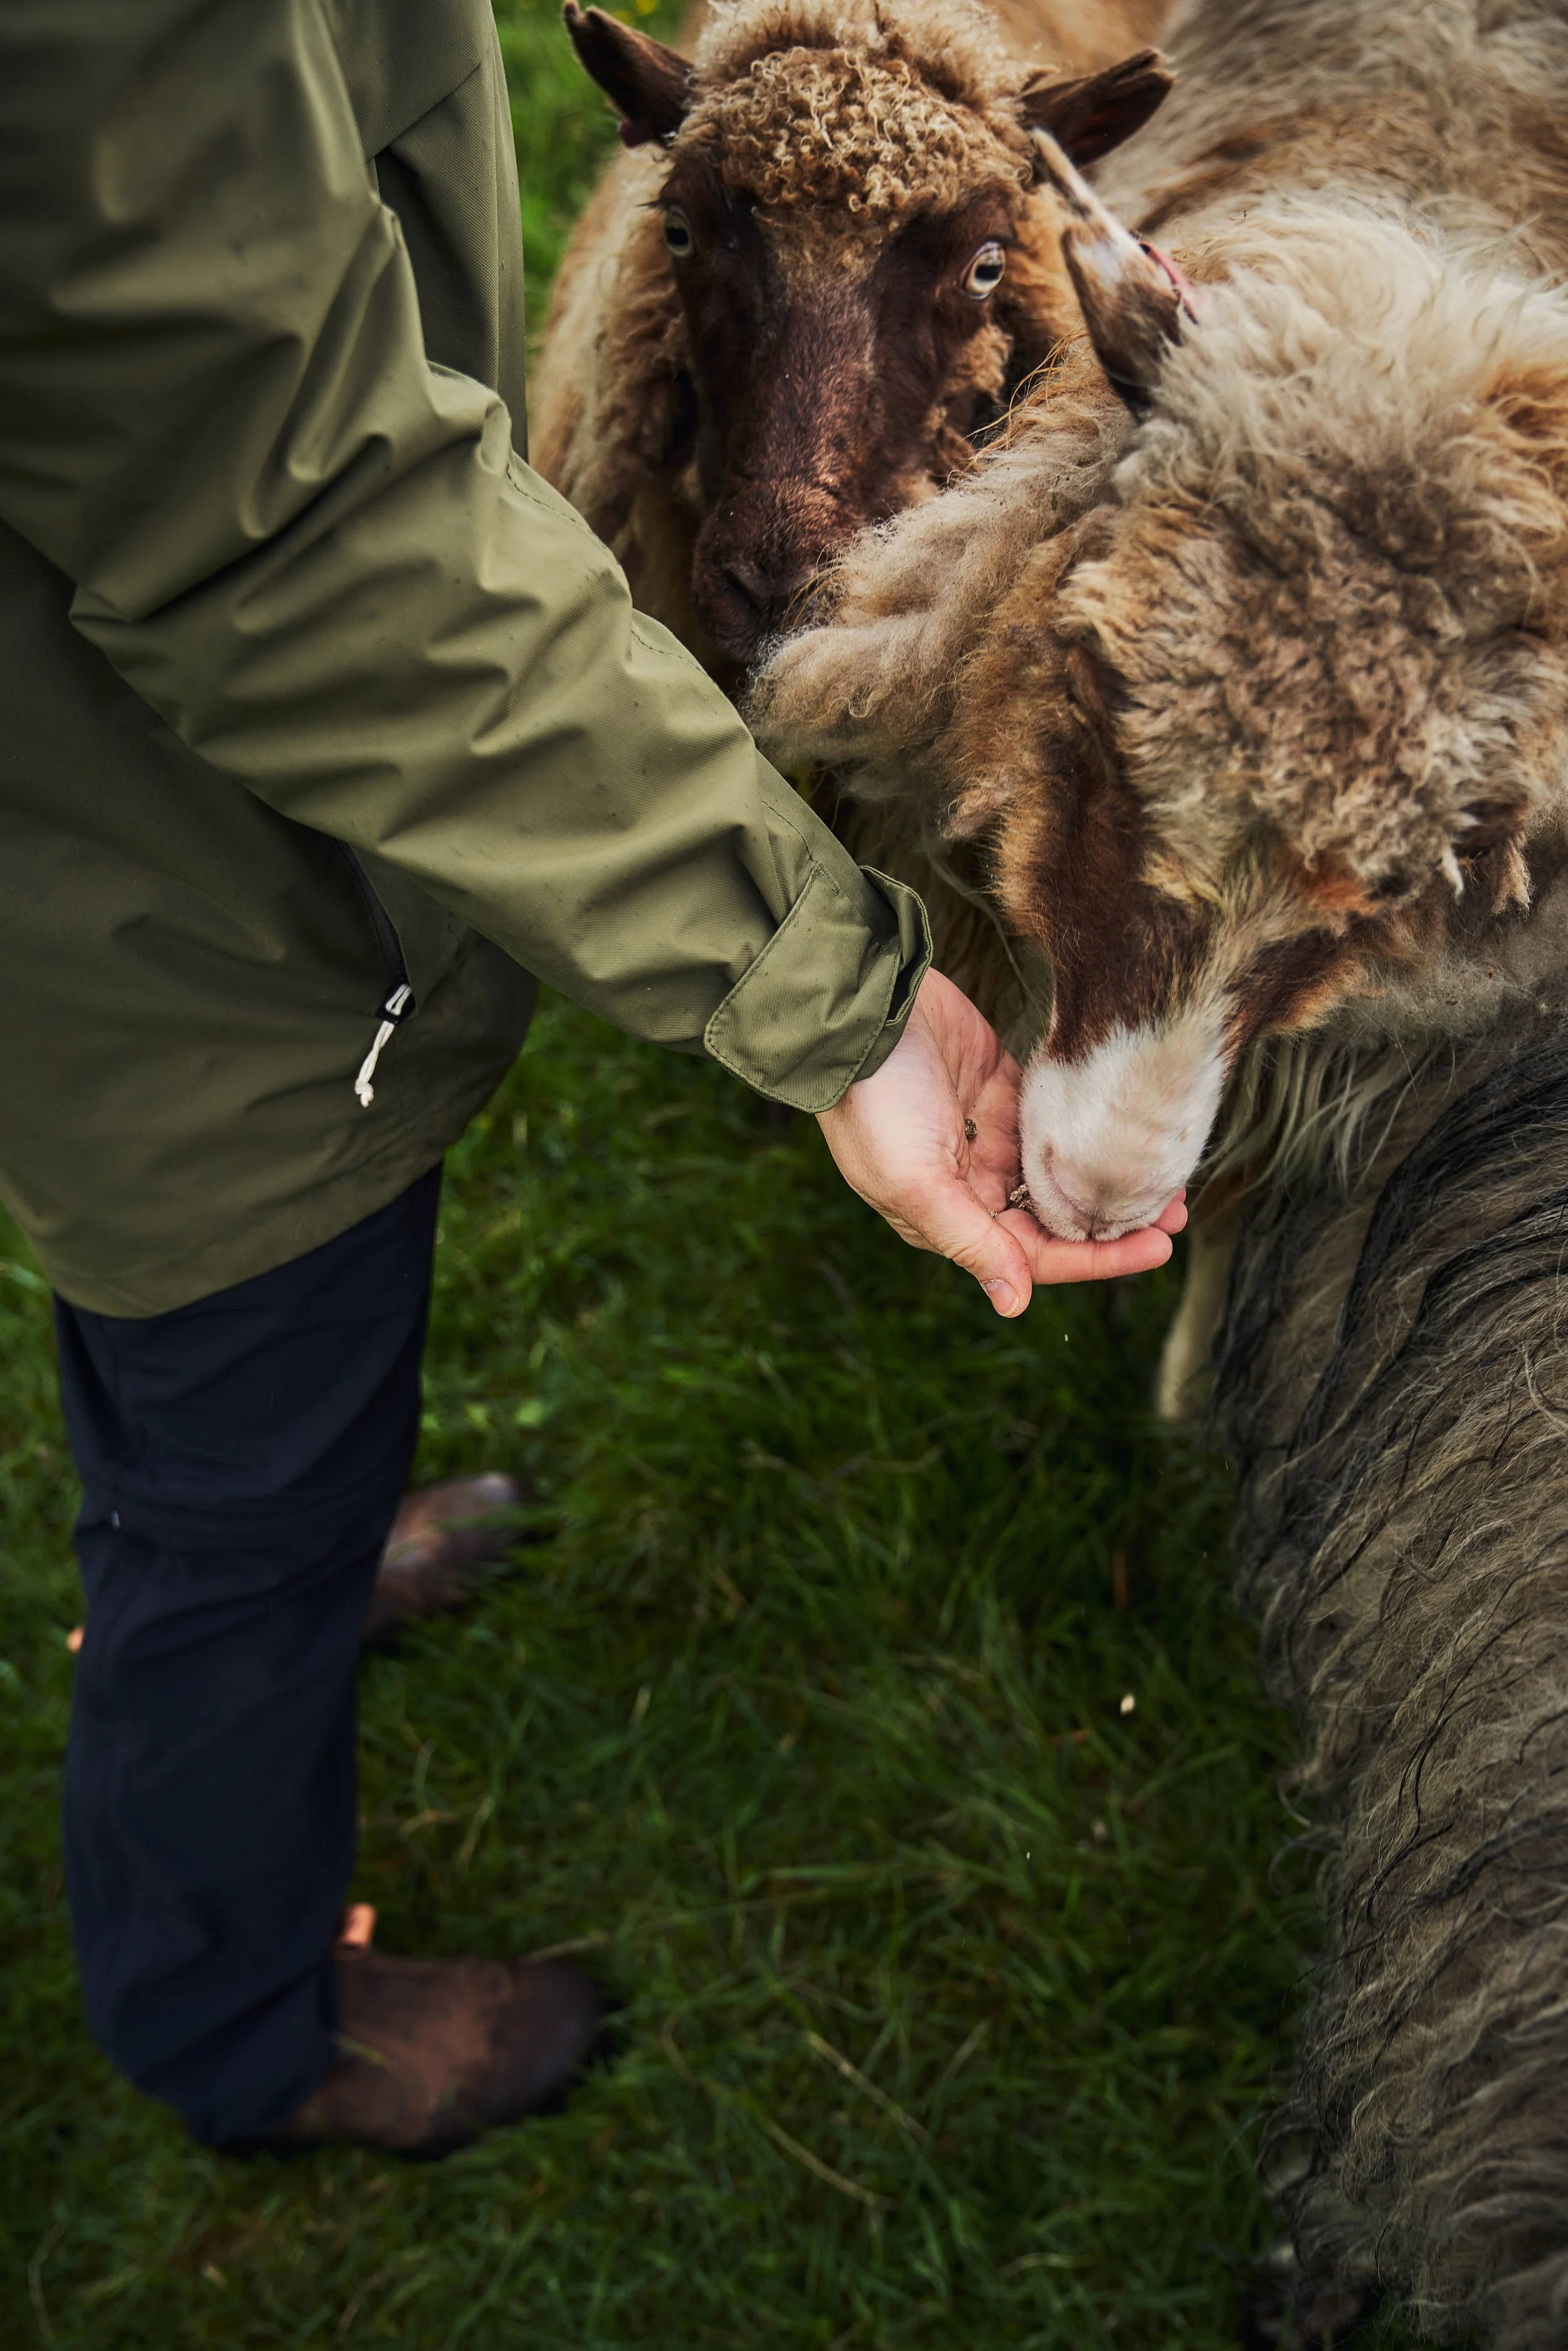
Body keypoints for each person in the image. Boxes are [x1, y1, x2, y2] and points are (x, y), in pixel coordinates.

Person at [0, 0, 1184, 2157]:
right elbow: (280, 527)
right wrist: (826, 992)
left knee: (245, 1409)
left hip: (181, 823)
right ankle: (236, 2017)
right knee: (222, 1462)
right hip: (170, 916)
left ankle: (301, 1552)